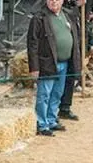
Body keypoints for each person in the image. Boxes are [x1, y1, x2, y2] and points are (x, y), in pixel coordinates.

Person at [27, 0, 81, 136]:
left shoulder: (67, 15)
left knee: (57, 93)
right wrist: (34, 67)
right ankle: (42, 123)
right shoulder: (39, 18)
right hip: (48, 62)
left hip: (65, 62)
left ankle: (51, 119)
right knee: (44, 94)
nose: (53, 2)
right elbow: (32, 44)